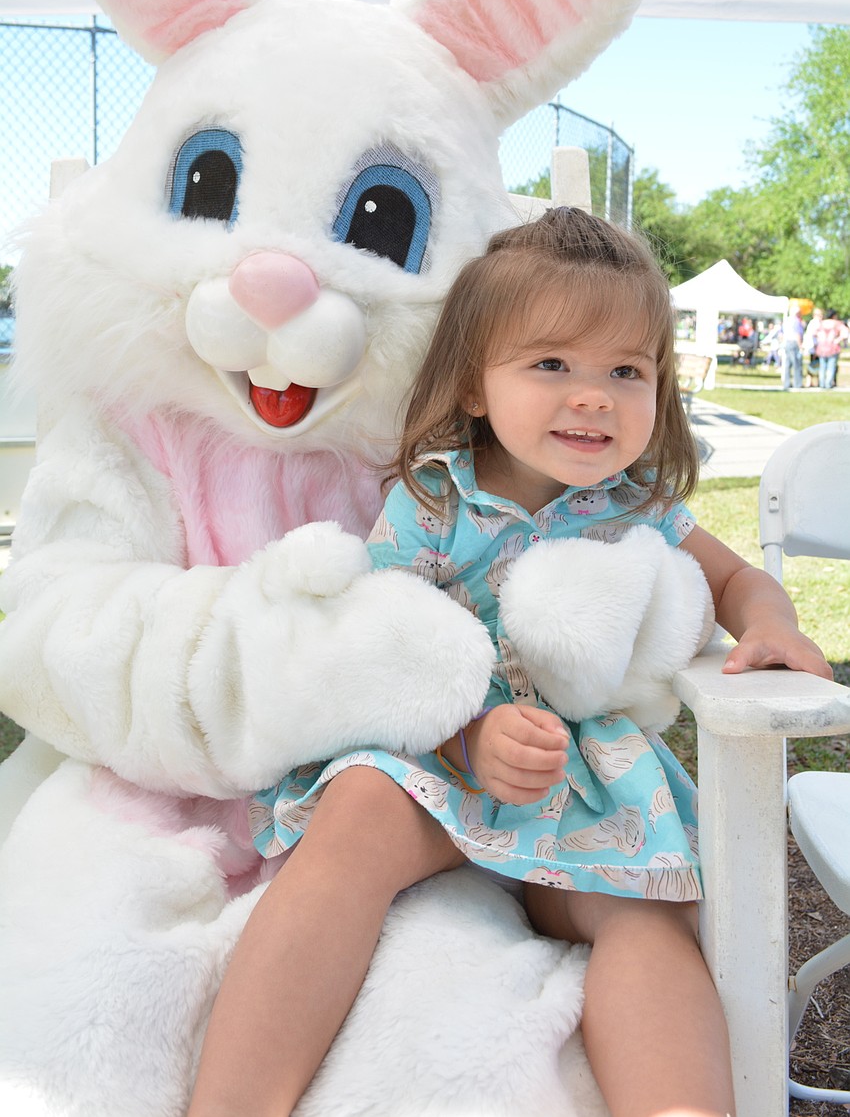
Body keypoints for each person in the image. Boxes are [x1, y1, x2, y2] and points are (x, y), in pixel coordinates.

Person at [188, 208, 831, 1117]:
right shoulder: (434, 500)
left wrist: (770, 622)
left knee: (646, 920)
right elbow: (382, 647)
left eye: (626, 370)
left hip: (580, 790)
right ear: (478, 383)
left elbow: (736, 582)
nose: (595, 395)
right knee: (358, 810)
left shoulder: (637, 506)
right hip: (441, 768)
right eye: (552, 364)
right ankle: (232, 1102)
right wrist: (465, 736)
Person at [815, 309, 849, 389]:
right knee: (831, 366)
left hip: (822, 348)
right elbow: (846, 332)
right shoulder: (837, 323)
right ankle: (828, 384)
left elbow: (815, 333)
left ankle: (822, 383)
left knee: (822, 366)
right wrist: (838, 339)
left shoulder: (821, 323)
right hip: (832, 347)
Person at [781, 305, 805, 389]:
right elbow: (797, 334)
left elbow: (781, 333)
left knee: (787, 364)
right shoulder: (796, 321)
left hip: (787, 342)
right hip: (794, 343)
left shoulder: (786, 320)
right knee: (796, 364)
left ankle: (786, 383)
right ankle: (797, 384)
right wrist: (800, 345)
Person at [803, 307, 823, 388]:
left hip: (815, 348)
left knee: (815, 365)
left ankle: (812, 382)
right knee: (814, 366)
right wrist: (815, 349)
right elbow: (814, 337)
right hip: (815, 348)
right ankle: (810, 382)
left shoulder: (814, 322)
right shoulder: (815, 323)